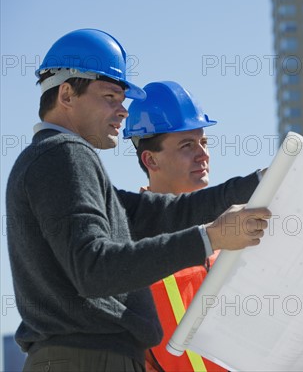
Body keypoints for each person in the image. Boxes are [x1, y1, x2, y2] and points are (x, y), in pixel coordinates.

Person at [6, 29, 271, 372]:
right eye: (111, 97)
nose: (123, 112)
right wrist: (212, 237)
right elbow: (95, 269)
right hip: (89, 360)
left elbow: (173, 211)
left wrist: (268, 178)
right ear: (67, 94)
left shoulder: (57, 161)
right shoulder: (64, 155)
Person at [123, 81, 232, 372]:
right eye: (187, 145)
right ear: (150, 159)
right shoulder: (126, 242)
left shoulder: (231, 231)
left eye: (204, 142)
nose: (203, 154)